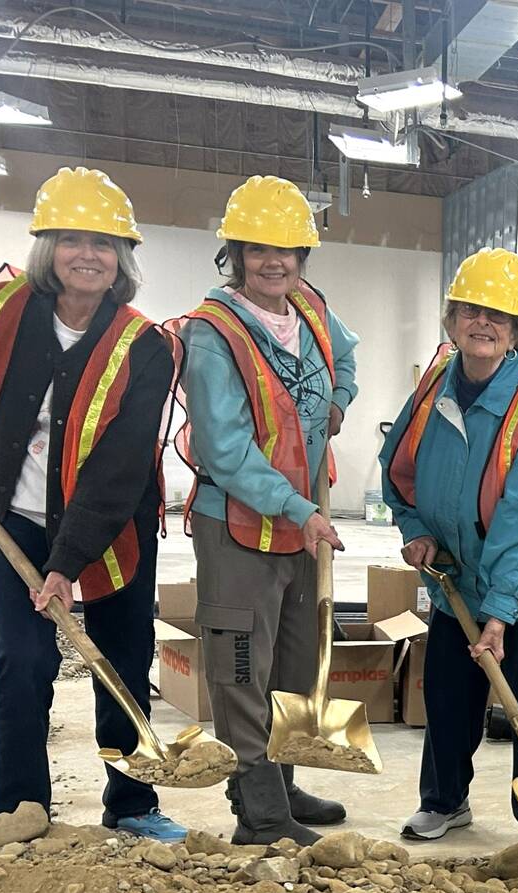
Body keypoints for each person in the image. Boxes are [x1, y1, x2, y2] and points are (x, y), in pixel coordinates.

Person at [0, 166, 183, 842]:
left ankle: (133, 801)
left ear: (123, 259)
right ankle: (21, 804)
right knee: (23, 658)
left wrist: (66, 562)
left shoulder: (145, 346)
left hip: (111, 531)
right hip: (13, 521)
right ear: (46, 247)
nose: (88, 255)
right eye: (72, 240)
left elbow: (119, 470)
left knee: (119, 654)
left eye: (105, 244)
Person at [381, 249, 518, 843]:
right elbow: (398, 468)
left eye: (498, 316)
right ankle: (445, 801)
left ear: (517, 332)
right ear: (450, 321)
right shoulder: (435, 389)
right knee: (449, 699)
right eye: (471, 310)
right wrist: (413, 527)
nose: (483, 323)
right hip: (457, 581)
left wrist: (500, 610)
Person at [176, 175, 359, 846]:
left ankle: (283, 783)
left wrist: (337, 397)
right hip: (239, 529)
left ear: (302, 258)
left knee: (293, 660)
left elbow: (349, 354)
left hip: (298, 525)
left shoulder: (307, 307)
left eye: (287, 251)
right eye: (258, 251)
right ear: (236, 254)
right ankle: (258, 814)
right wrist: (297, 507)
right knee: (241, 669)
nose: (274, 263)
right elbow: (223, 448)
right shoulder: (213, 331)